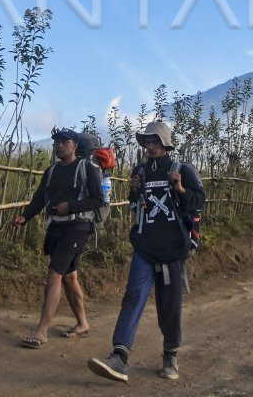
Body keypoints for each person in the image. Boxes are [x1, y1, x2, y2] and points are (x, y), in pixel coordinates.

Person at [88, 120, 205, 382]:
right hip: (145, 245)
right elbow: (135, 203)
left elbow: (199, 202)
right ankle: (119, 357)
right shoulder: (140, 169)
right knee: (133, 296)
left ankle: (170, 354)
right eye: (147, 142)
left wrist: (181, 188)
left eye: (155, 142)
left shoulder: (182, 169)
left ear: (165, 144)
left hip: (173, 249)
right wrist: (135, 189)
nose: (150, 146)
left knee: (169, 305)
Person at [12, 127, 103, 348]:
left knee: (55, 274)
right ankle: (82, 323)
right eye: (57, 142)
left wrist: (70, 206)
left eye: (65, 141)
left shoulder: (86, 169)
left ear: (75, 145)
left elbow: (97, 199)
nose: (59, 145)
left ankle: (41, 331)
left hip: (78, 227)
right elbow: (39, 199)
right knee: (70, 276)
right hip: (56, 228)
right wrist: (25, 216)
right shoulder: (51, 171)